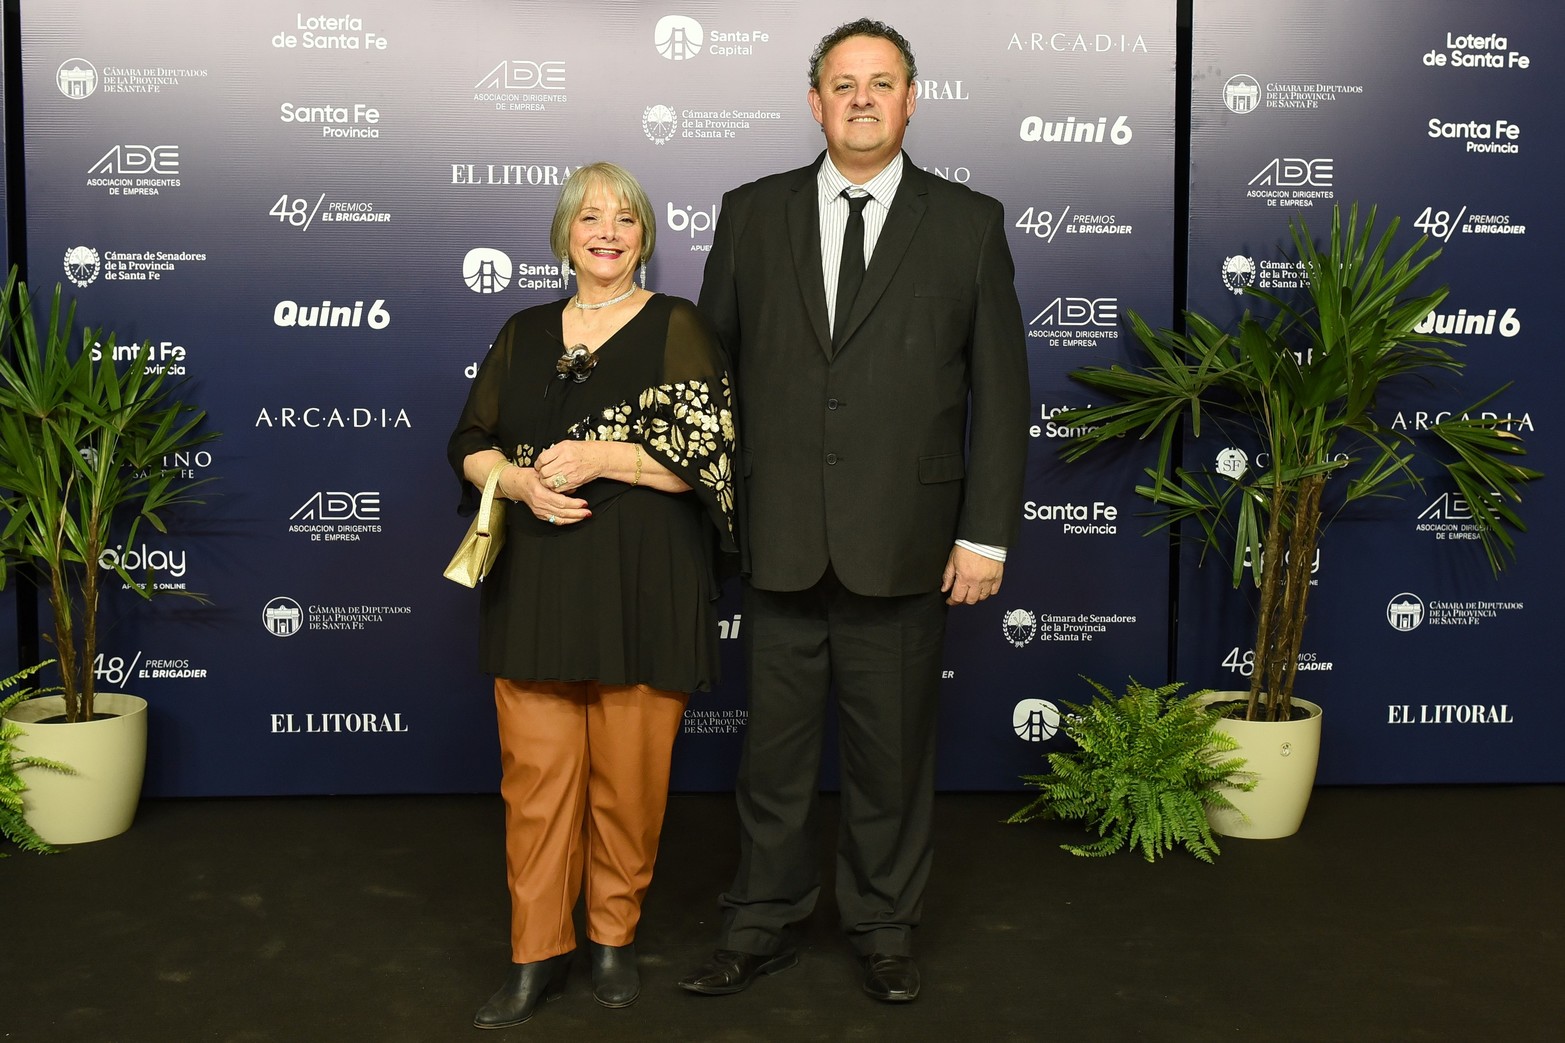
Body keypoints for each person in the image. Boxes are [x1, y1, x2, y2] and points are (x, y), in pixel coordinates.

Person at [678, 19, 1028, 1004]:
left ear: (912, 100)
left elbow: (1001, 393)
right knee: (771, 759)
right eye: (843, 83)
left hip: (907, 543)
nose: (862, 98)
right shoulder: (751, 214)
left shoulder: (967, 222)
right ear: (814, 102)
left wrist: (984, 530)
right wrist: (711, 521)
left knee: (890, 755)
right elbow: (712, 383)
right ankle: (761, 921)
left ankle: (882, 924)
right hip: (778, 537)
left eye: (881, 82)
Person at [447, 161, 736, 1030]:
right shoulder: (525, 328)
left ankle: (612, 936)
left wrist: (607, 455)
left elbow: (712, 460)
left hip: (645, 584)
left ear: (643, 235)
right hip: (535, 580)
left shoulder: (677, 325)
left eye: (624, 218)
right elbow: (468, 439)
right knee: (535, 785)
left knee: (629, 782)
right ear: (565, 232)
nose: (606, 231)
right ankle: (536, 954)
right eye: (589, 217)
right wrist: (517, 481)